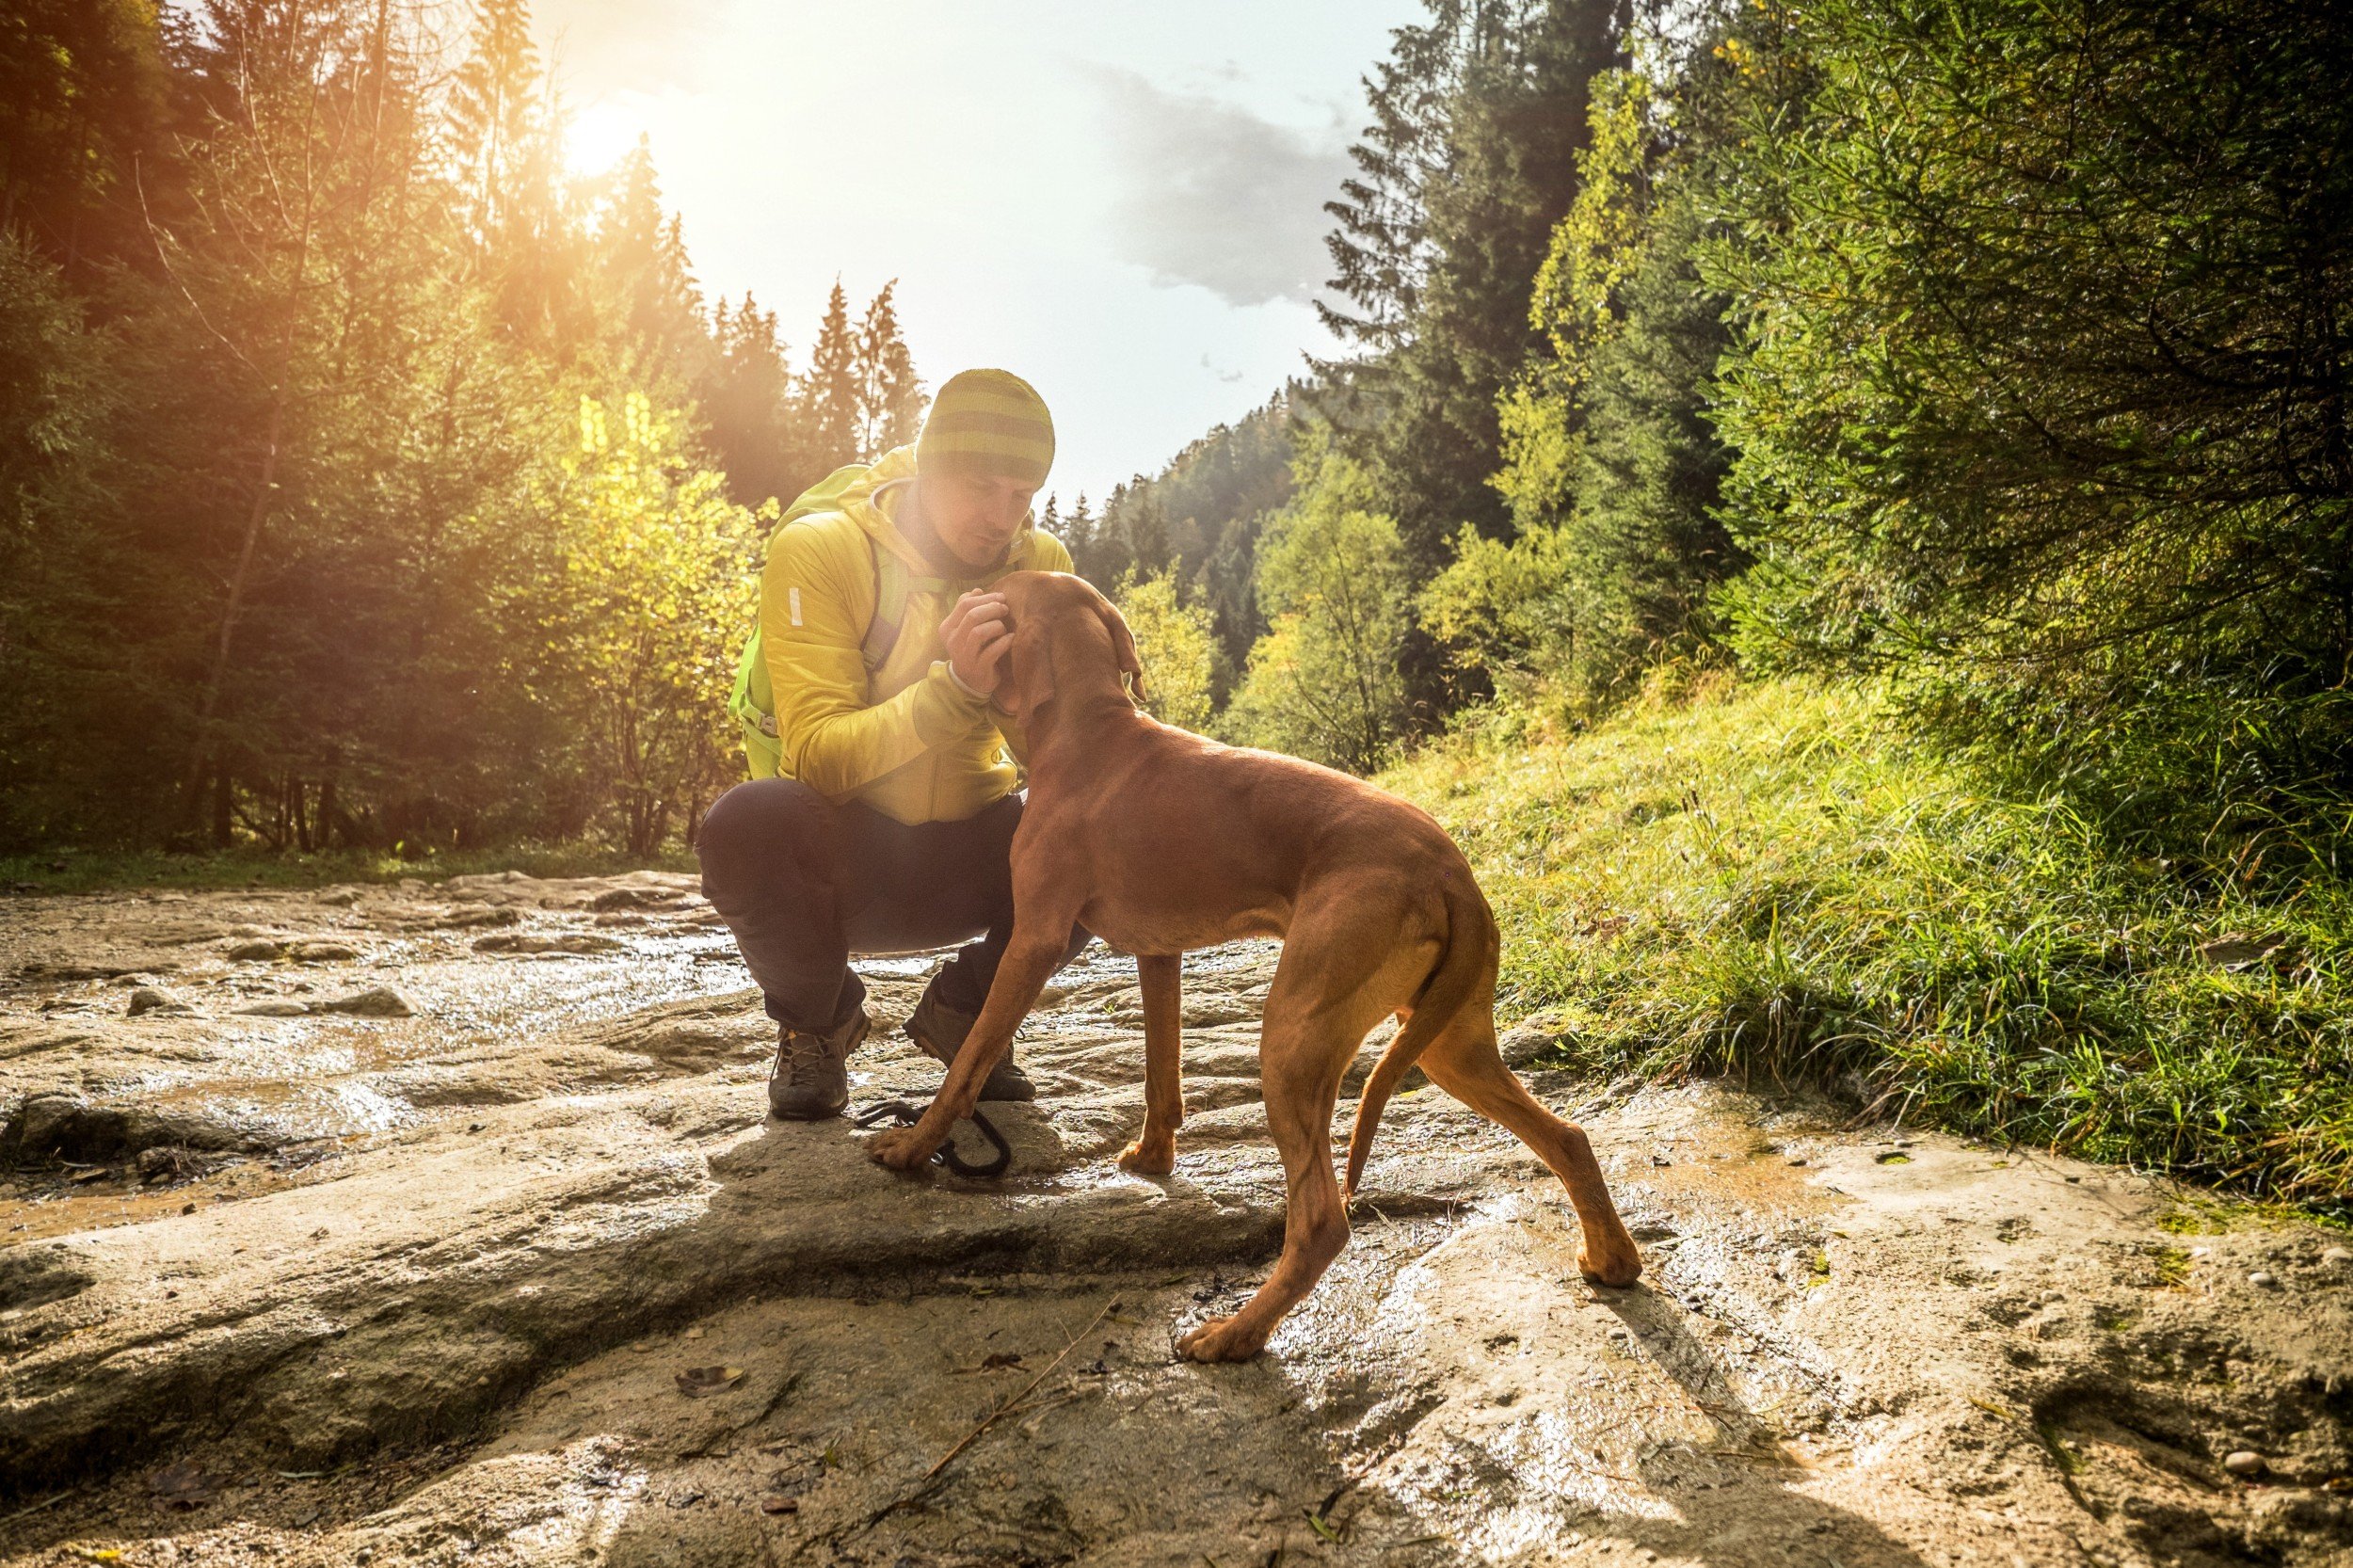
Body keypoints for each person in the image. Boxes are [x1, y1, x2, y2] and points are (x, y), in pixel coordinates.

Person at [697, 369, 1091, 1120]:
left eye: (1022, 496)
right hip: (848, 854)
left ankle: (971, 1014)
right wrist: (952, 693)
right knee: (743, 825)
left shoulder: (1041, 566)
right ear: (929, 464)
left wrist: (1017, 706)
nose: (1001, 519)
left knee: (1110, 821)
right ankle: (817, 1024)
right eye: (981, 487)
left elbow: (1068, 757)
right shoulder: (824, 549)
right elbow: (813, 754)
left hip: (977, 850)